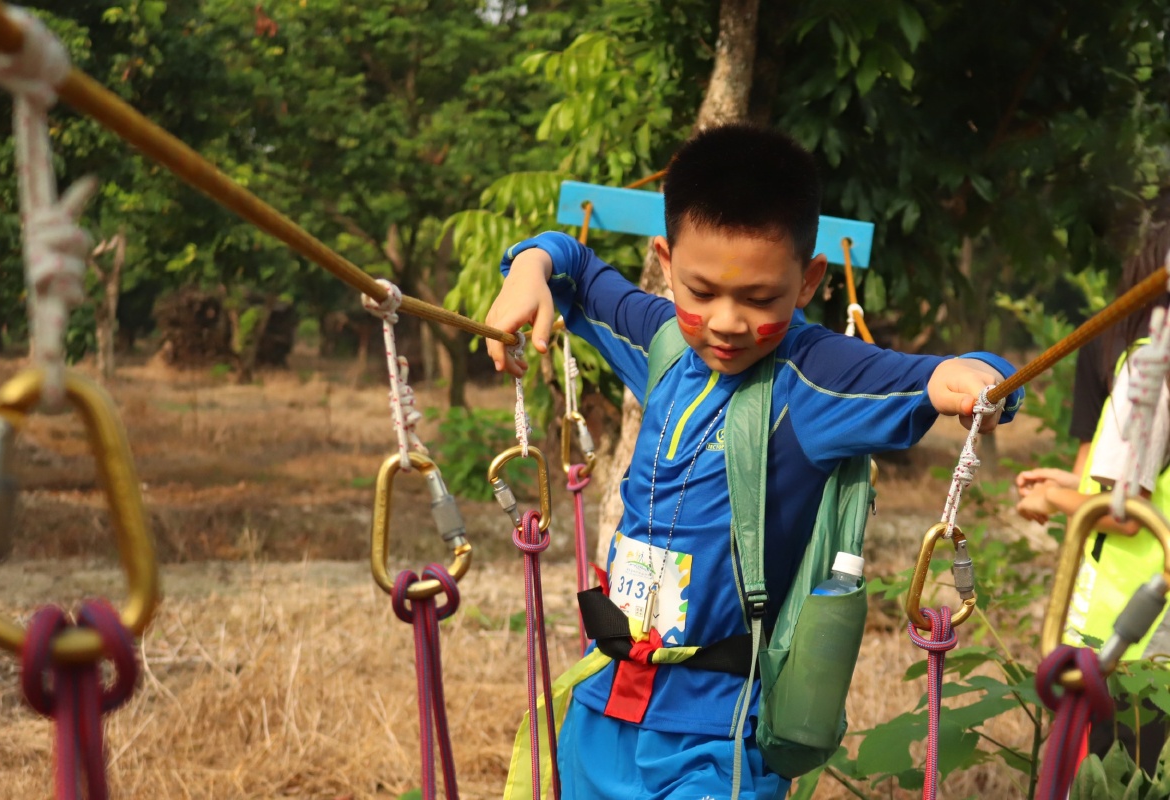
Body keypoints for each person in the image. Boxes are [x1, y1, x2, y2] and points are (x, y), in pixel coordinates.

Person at [484, 123, 1024, 799]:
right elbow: (571, 262)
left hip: (719, 739)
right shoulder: (661, 340)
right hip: (601, 706)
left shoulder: (817, 376)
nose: (727, 323)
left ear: (808, 281)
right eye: (702, 292)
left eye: (760, 298)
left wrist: (974, 380)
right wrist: (530, 266)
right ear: (666, 261)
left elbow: (974, 374)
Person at [1015, 216, 1170, 777]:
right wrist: (1068, 484)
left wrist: (1054, 502)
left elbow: (1124, 516)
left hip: (1129, 640)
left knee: (1109, 779)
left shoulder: (1151, 367)